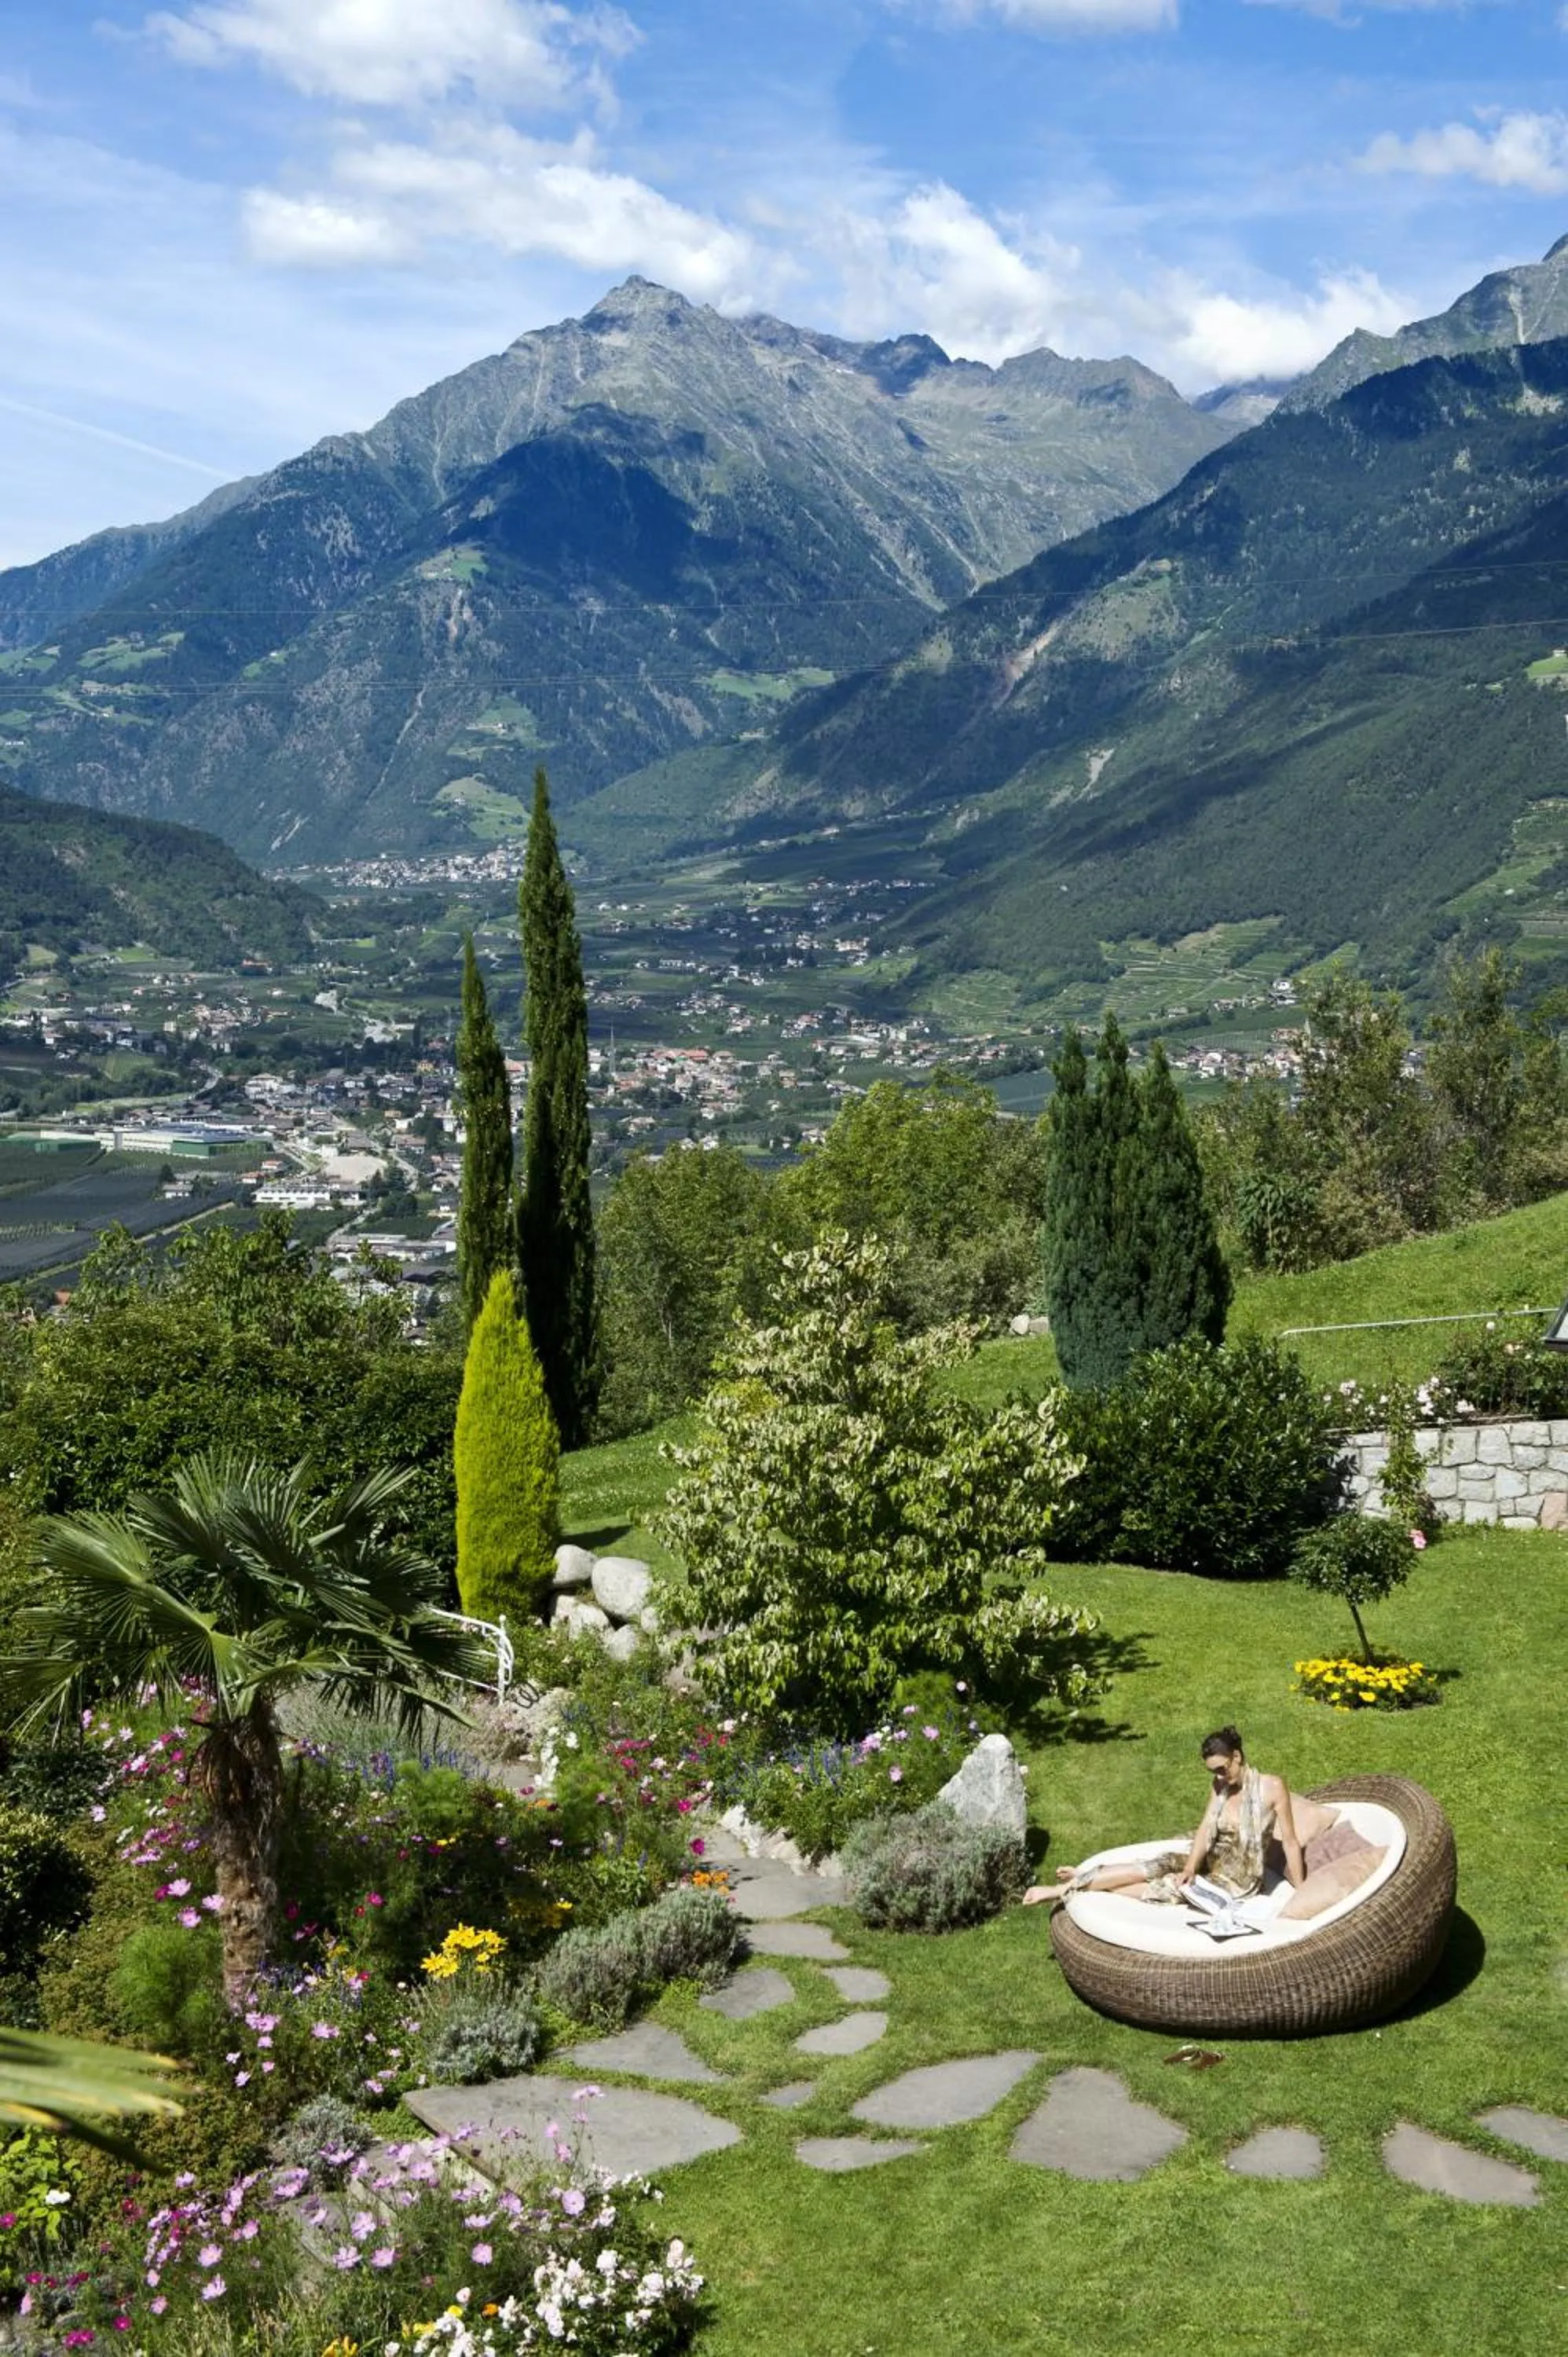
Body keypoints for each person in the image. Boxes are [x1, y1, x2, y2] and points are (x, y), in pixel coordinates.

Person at [1022, 1726, 1306, 1908]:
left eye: (1222, 1768)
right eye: (1213, 1772)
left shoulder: (1272, 1787)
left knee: (1162, 1888)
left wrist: (1303, 1890)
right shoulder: (1219, 1787)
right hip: (1209, 1859)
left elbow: (1291, 1842)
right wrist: (1191, 1868)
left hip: (1235, 1880)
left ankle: (1068, 1889)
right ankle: (1083, 1880)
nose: (1219, 1777)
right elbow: (1206, 1829)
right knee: (1152, 1866)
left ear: (1237, 1756)